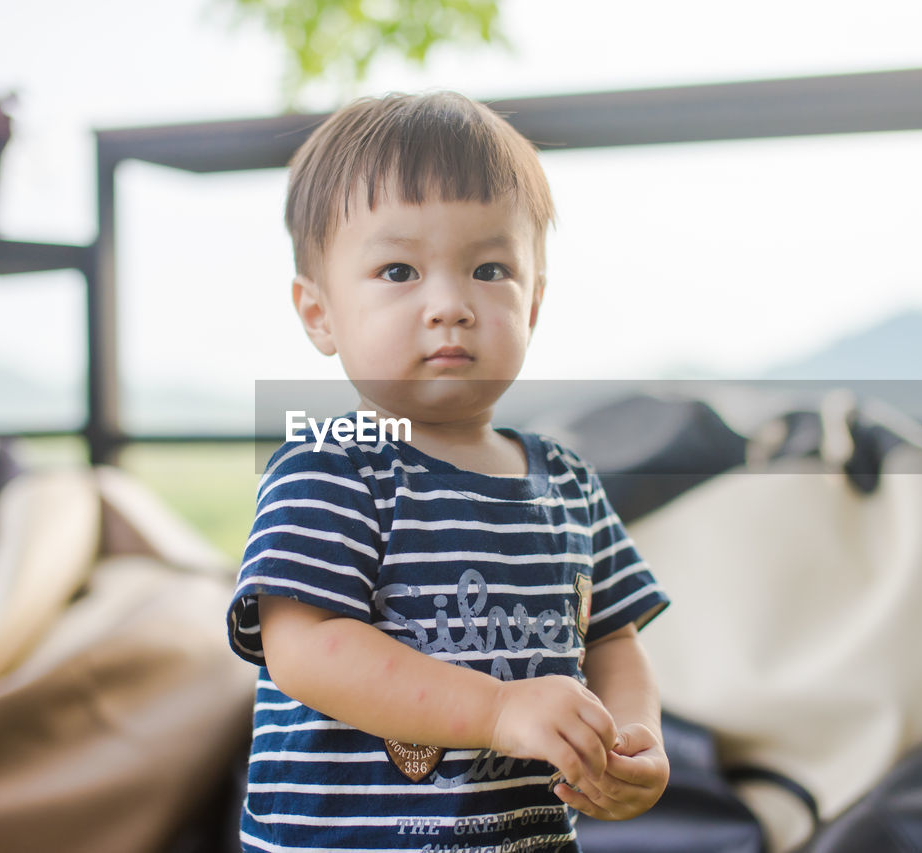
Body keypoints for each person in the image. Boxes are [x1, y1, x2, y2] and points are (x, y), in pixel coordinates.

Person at [228, 90, 671, 852]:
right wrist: (499, 709)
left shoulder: (566, 481)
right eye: (398, 269)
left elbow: (614, 640)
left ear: (533, 302)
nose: (450, 304)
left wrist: (634, 739)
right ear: (319, 313)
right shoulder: (331, 466)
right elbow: (305, 647)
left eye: (489, 267)